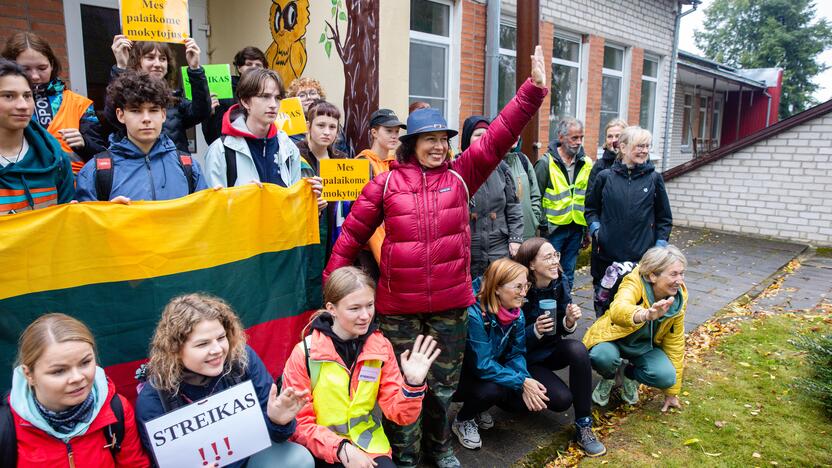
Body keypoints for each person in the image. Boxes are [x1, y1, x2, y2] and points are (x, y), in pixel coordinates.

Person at [323, 46, 548, 468]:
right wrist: (331, 289)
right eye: (430, 140)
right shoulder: (386, 185)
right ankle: (406, 457)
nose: (440, 148)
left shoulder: (461, 177)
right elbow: (351, 235)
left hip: (450, 308)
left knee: (442, 388)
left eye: (444, 141)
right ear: (411, 144)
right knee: (399, 385)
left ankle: (440, 448)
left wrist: (533, 91)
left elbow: (499, 135)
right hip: (398, 311)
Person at [282, 266, 441, 468]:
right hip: (320, 449)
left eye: (370, 305)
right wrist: (341, 448)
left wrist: (413, 385)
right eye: (355, 308)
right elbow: (299, 424)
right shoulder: (305, 353)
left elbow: (400, 416)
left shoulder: (380, 347)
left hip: (369, 448)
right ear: (332, 309)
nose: (366, 315)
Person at [135, 293, 314, 468]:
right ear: (175, 350)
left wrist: (278, 421)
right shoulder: (153, 399)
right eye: (202, 344)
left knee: (298, 459)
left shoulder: (242, 359)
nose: (217, 349)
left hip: (251, 460)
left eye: (221, 338)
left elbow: (275, 437)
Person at [452, 258, 604, 457]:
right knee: (492, 390)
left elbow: (517, 352)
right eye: (518, 287)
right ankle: (463, 419)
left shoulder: (516, 312)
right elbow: (482, 364)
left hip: (494, 368)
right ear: (496, 288)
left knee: (522, 402)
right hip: (462, 376)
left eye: (526, 285)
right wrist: (522, 381)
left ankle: (481, 408)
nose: (524, 293)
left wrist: (527, 381)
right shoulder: (474, 314)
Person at [3, 313, 149, 466]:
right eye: (59, 371)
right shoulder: (6, 427)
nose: (77, 378)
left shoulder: (117, 409)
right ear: (29, 375)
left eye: (85, 362)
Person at [512, 238, 605, 456]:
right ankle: (512, 396)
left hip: (550, 349)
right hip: (525, 359)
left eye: (556, 255)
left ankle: (584, 425)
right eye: (548, 257)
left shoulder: (559, 281)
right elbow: (508, 343)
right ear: (532, 265)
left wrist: (569, 322)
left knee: (578, 349)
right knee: (562, 400)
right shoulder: (518, 290)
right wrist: (534, 330)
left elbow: (562, 327)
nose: (555, 261)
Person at [203, 68, 325, 214]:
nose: (273, 104)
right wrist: (241, 200)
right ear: (245, 102)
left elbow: (293, 208)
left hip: (282, 235)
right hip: (242, 235)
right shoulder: (221, 150)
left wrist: (310, 206)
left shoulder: (288, 147)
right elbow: (213, 213)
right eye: (265, 96)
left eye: (277, 97)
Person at [582, 245, 687, 411]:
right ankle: (609, 377)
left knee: (666, 377)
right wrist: (645, 314)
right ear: (652, 275)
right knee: (601, 356)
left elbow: (675, 342)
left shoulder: (678, 299)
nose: (680, 280)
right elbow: (618, 310)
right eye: (674, 274)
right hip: (614, 339)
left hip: (644, 348)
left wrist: (671, 393)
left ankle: (629, 374)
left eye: (681, 273)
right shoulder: (633, 281)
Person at [75, 72, 207, 202]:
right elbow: (85, 222)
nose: (146, 119)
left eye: (153, 110)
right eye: (136, 111)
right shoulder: (96, 171)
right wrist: (106, 214)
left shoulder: (188, 166)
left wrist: (216, 203)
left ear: (163, 114)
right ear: (120, 115)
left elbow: (204, 217)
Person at [585, 126, 672, 316]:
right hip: (607, 258)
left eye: (647, 146)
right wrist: (597, 231)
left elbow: (664, 219)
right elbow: (591, 209)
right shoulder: (605, 177)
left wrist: (658, 249)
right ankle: (602, 343)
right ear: (623, 148)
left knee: (636, 309)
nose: (644, 150)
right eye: (639, 146)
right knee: (605, 308)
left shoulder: (654, 179)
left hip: (640, 259)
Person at [2, 32, 104, 173]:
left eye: (42, 68)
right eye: (25, 69)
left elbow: (102, 154)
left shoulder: (80, 104)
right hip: (20, 185)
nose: (35, 76)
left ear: (52, 65)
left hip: (73, 189)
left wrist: (85, 144)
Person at [109, 35, 211, 153]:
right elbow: (112, 114)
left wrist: (195, 69)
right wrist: (121, 67)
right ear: (137, 62)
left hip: (172, 167)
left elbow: (201, 112)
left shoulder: (175, 99)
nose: (157, 64)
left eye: (162, 59)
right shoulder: (125, 99)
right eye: (150, 57)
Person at [0, 59, 74, 214]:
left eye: (27, 96)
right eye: (8, 96)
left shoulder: (56, 158)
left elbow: (68, 223)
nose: (23, 105)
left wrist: (107, 212)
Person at [461, 115, 523, 277]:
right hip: (468, 249)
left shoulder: (502, 169)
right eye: (478, 135)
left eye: (487, 134)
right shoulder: (457, 170)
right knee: (472, 297)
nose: (483, 139)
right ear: (467, 139)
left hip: (498, 247)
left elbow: (514, 206)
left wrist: (516, 238)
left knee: (497, 295)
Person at [534, 117, 592, 289]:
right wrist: (543, 225)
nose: (578, 142)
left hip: (575, 228)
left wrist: (586, 229)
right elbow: (535, 196)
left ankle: (566, 310)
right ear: (561, 137)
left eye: (581, 138)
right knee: (549, 274)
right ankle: (550, 311)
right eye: (574, 138)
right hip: (553, 231)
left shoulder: (587, 163)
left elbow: (588, 198)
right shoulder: (546, 163)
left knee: (568, 273)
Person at [354, 108, 406, 271]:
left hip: (394, 246)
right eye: (389, 130)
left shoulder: (396, 164)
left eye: (397, 131)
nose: (394, 135)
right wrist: (383, 258)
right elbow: (365, 215)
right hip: (370, 251)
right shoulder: (362, 163)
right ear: (374, 132)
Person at [202, 46, 267, 145]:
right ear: (239, 68)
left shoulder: (269, 94)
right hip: (229, 149)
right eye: (249, 64)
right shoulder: (224, 91)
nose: (254, 68)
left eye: (258, 65)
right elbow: (212, 133)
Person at [504, 139, 541, 240]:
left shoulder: (523, 160)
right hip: (501, 240)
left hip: (527, 234)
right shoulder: (490, 163)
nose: (516, 135)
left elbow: (535, 194)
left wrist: (534, 220)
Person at [587, 118, 627, 193]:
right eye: (610, 136)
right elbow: (591, 199)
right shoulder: (599, 166)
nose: (613, 140)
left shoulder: (635, 163)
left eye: (618, 136)